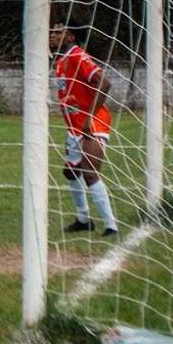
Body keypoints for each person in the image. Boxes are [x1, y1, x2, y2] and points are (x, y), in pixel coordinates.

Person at [51, 23, 118, 237]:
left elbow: (104, 83)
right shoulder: (61, 62)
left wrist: (88, 117)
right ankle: (83, 220)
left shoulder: (78, 55)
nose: (52, 36)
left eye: (58, 32)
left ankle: (111, 226)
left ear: (70, 37)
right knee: (71, 172)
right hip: (74, 129)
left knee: (90, 173)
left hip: (93, 125)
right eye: (51, 32)